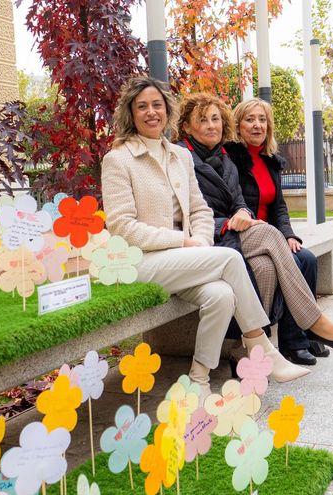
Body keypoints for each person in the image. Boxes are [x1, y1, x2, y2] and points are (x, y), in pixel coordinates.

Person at [100, 77, 309, 396]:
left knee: (222, 295)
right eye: (142, 106)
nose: (151, 112)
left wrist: (198, 242)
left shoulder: (179, 156)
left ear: (167, 110)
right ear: (130, 113)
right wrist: (183, 243)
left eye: (157, 105)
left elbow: (199, 210)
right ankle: (261, 349)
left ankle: (198, 376)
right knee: (230, 257)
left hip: (182, 259)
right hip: (140, 262)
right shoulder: (119, 159)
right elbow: (122, 227)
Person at [224, 97, 333, 351]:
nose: (257, 125)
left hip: (273, 236)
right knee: (285, 265)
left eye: (262, 119)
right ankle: (311, 329)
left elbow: (278, 207)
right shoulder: (232, 160)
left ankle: (296, 340)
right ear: (237, 125)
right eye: (250, 119)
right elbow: (238, 205)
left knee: (306, 258)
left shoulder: (270, 161)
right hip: (249, 238)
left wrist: (289, 235)